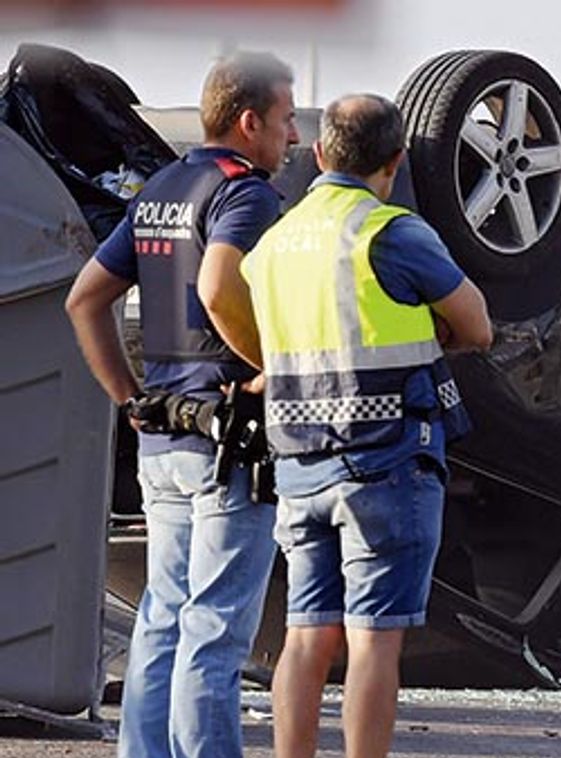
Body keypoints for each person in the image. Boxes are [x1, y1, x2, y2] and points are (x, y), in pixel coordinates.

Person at [233, 93, 492, 758]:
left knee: (305, 635)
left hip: (297, 461)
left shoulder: (272, 244)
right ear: (396, 160)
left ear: (319, 154)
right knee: (374, 638)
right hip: (386, 462)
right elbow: (478, 326)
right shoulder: (391, 232)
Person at [64, 51, 298, 758]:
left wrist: (128, 398)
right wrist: (275, 367)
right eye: (286, 120)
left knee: (163, 619)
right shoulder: (244, 194)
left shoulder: (162, 187)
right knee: (217, 628)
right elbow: (220, 287)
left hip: (163, 437)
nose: (291, 139)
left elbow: (85, 299)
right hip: (226, 443)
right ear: (249, 120)